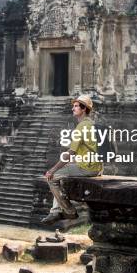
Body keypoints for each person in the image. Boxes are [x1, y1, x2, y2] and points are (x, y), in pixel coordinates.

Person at [40, 94, 103, 225]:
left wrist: (52, 170)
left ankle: (69, 211)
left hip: (87, 167)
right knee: (63, 172)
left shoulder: (81, 127)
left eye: (76, 106)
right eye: (73, 106)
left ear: (84, 109)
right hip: (96, 167)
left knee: (53, 177)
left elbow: (71, 152)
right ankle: (55, 211)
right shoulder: (92, 124)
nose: (73, 109)